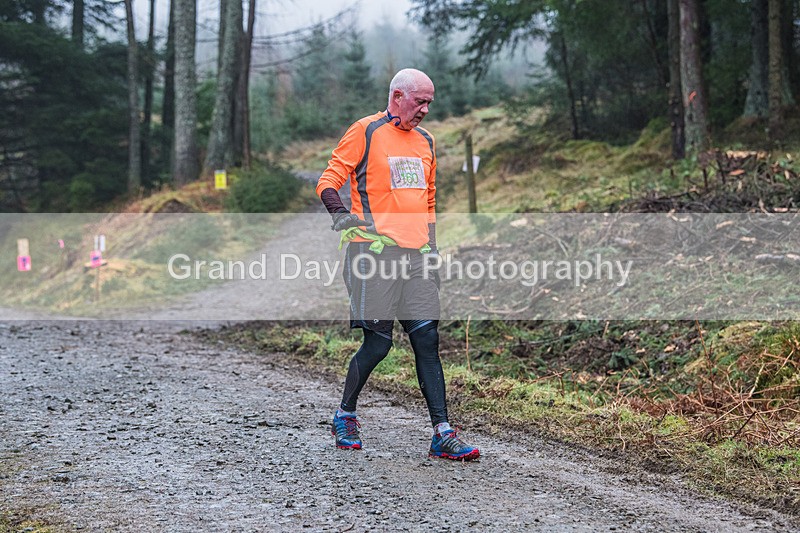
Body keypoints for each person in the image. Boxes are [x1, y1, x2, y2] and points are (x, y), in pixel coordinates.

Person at [315, 68, 480, 460]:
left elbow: (429, 200)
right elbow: (328, 180)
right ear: (398, 97)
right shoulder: (365, 131)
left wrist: (432, 250)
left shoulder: (426, 141)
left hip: (417, 257)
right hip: (373, 254)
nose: (425, 110)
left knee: (427, 338)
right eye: (420, 101)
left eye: (429, 103)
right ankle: (345, 415)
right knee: (378, 344)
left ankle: (442, 433)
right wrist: (340, 214)